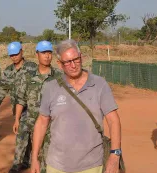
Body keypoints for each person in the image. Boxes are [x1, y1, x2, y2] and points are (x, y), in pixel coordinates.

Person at [31, 39, 122, 173]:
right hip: (56, 165)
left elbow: (113, 120)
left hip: (92, 165)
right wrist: (34, 158)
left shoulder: (99, 84)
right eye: (67, 62)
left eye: (76, 59)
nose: (73, 65)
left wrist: (115, 155)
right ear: (60, 64)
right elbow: (42, 123)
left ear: (81, 57)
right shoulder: (51, 87)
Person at [14, 41, 61, 173]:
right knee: (34, 156)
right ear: (37, 54)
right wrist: (17, 119)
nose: (47, 56)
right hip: (32, 123)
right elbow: (21, 99)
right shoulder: (28, 76)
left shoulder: (59, 76)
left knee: (48, 159)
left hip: (52, 126)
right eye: (43, 53)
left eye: (49, 53)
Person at [0, 41, 38, 172]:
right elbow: (2, 88)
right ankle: (25, 161)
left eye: (16, 54)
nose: (14, 57)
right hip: (17, 109)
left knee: (23, 135)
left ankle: (18, 163)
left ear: (22, 52)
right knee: (24, 135)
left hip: (32, 107)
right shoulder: (8, 71)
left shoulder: (32, 67)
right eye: (11, 55)